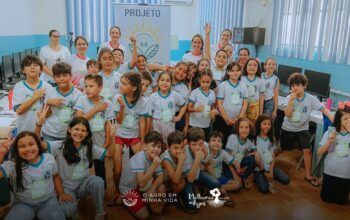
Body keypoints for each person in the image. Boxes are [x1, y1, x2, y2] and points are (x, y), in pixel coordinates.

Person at [280, 73, 333, 187]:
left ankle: (308, 175)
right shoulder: (289, 97)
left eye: (298, 85)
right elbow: (288, 114)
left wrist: (334, 119)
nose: (295, 88)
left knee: (307, 151)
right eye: (293, 85)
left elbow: (323, 109)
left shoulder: (310, 98)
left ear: (304, 86)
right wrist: (291, 101)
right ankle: (268, 163)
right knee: (281, 149)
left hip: (302, 128)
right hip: (288, 128)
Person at [0, 132, 66, 220]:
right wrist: (1, 153)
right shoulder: (13, 164)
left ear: (38, 145)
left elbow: (55, 176)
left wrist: (61, 193)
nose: (27, 149)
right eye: (22, 146)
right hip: (22, 204)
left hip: (48, 201)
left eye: (31, 144)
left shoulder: (49, 158)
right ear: (16, 150)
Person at [113, 72, 148, 196]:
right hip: (119, 135)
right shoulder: (118, 98)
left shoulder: (143, 101)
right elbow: (119, 120)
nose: (120, 86)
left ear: (133, 87)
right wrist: (122, 107)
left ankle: (138, 188)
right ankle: (118, 191)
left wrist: (143, 141)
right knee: (118, 169)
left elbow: (143, 122)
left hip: (133, 136)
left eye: (124, 83)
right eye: (121, 82)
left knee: (142, 162)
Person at [74, 74, 114, 184]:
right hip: (83, 142)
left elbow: (107, 124)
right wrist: (96, 109)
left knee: (100, 168)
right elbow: (78, 120)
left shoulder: (107, 104)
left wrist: (107, 142)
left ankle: (102, 190)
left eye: (91, 86)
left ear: (100, 87)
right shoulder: (82, 100)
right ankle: (83, 191)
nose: (87, 89)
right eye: (86, 86)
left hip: (100, 141)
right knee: (83, 166)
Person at [119, 131, 166, 219]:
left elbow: (161, 177)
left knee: (161, 190)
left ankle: (143, 200)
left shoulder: (155, 157)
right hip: (129, 188)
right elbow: (141, 183)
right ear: (144, 146)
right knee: (144, 216)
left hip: (142, 186)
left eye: (159, 147)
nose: (156, 149)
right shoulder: (140, 158)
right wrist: (154, 165)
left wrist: (152, 190)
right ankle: (124, 199)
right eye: (153, 145)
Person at [318, 101, 350, 204]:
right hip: (330, 172)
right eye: (346, 119)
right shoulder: (330, 132)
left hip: (346, 175)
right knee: (326, 199)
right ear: (338, 120)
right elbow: (319, 152)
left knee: (341, 201)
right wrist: (329, 142)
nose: (348, 121)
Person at [41, 62, 83, 141]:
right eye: (58, 76)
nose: (61, 78)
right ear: (54, 78)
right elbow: (46, 115)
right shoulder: (50, 92)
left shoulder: (78, 95)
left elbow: (78, 118)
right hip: (49, 133)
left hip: (68, 134)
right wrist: (48, 103)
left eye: (64, 75)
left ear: (70, 76)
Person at [13, 55, 52, 133]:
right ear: (23, 70)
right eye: (28, 65)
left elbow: (48, 114)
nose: (32, 67)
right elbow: (19, 110)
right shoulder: (19, 87)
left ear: (41, 70)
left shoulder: (47, 87)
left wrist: (48, 105)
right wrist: (35, 97)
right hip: (24, 130)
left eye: (35, 65)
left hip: (42, 132)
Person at [253, 115, 290, 194]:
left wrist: (271, 171)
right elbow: (257, 159)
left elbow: (273, 156)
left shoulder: (271, 138)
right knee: (264, 189)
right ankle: (258, 177)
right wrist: (264, 173)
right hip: (259, 169)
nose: (267, 126)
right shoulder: (254, 139)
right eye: (264, 124)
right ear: (259, 124)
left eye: (269, 124)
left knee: (286, 180)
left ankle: (269, 176)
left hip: (269, 167)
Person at [214, 62, 248, 145]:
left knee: (233, 142)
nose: (235, 73)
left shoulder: (243, 86)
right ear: (228, 72)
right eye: (232, 71)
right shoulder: (223, 85)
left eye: (237, 70)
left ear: (241, 72)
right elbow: (219, 104)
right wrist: (227, 119)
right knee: (221, 141)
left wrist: (239, 118)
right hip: (223, 120)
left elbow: (245, 104)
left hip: (237, 120)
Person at [148, 72, 186, 142]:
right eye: (162, 80)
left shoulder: (174, 95)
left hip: (169, 124)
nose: (165, 83)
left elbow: (184, 105)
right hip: (156, 124)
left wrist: (179, 117)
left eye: (168, 81)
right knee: (157, 143)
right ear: (158, 82)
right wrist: (150, 127)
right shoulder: (153, 96)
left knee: (169, 143)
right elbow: (149, 114)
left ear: (171, 83)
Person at [225, 118, 257, 189]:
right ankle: (238, 176)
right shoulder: (232, 138)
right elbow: (226, 158)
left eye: (246, 127)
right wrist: (234, 174)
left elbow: (248, 153)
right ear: (237, 129)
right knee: (238, 184)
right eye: (241, 127)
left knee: (256, 158)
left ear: (250, 129)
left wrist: (254, 153)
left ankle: (244, 177)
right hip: (229, 165)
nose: (244, 130)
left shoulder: (249, 141)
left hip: (239, 163)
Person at [188, 70, 218, 141]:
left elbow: (213, 107)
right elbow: (189, 108)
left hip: (206, 124)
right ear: (199, 80)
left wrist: (213, 113)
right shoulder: (195, 92)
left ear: (211, 80)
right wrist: (196, 109)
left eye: (208, 82)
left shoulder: (212, 93)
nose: (205, 84)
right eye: (203, 82)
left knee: (203, 142)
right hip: (194, 124)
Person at [241, 58, 265, 122]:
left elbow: (262, 97)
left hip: (254, 106)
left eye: (255, 65)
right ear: (246, 67)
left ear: (258, 68)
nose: (252, 67)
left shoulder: (261, 81)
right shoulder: (241, 79)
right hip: (242, 105)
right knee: (242, 124)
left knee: (252, 125)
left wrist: (260, 112)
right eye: (250, 65)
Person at [171, 62, 190, 133]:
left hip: (177, 117)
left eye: (184, 72)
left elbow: (186, 109)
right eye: (179, 69)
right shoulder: (164, 81)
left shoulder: (185, 88)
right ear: (174, 68)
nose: (181, 72)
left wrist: (186, 125)